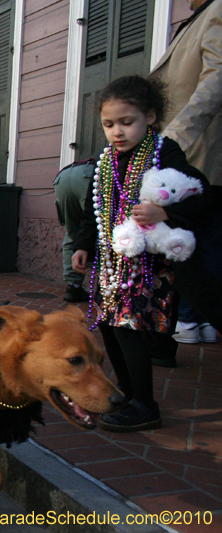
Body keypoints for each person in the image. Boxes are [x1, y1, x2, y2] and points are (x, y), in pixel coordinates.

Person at [72, 76, 210, 432]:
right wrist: (84, 244)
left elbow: (202, 196)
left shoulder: (165, 152)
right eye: (109, 124)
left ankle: (145, 404)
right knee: (109, 324)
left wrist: (166, 213)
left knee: (129, 326)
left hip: (146, 264)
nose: (117, 131)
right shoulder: (106, 162)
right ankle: (129, 395)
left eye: (126, 122)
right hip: (111, 260)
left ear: (149, 116)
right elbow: (93, 208)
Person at [150, 0, 222, 345]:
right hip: (188, 159)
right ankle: (198, 321)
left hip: (198, 155)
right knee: (198, 242)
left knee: (195, 244)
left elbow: (215, 81)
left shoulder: (217, 10)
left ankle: (194, 320)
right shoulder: (196, 19)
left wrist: (171, 140)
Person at [53, 159, 95, 302]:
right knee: (102, 231)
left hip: (62, 176)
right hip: (87, 174)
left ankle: (73, 286)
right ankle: (106, 284)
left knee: (72, 233)